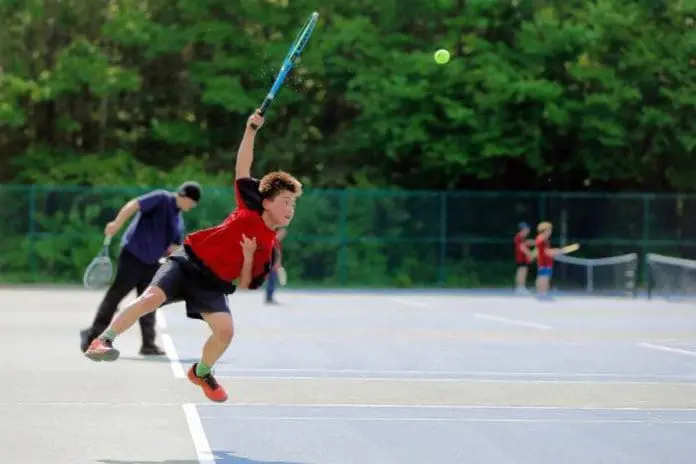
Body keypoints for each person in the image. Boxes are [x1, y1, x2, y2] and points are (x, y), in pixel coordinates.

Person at [84, 110, 303, 403]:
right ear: (267, 202)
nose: (290, 208)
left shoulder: (270, 245)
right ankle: (103, 340)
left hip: (213, 283)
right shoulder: (249, 206)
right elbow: (242, 167)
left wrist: (248, 257)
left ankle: (201, 372)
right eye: (285, 201)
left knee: (225, 331)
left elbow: (248, 284)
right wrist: (251, 130)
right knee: (150, 298)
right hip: (188, 262)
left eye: (294, 204)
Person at [79, 182, 201, 355]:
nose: (192, 206)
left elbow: (172, 248)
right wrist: (116, 223)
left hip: (152, 264)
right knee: (116, 296)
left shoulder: (178, 220)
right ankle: (92, 338)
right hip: (133, 256)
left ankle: (148, 345)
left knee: (149, 302)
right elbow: (133, 205)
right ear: (185, 196)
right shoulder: (161, 198)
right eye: (192, 202)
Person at [534, 221, 562, 299]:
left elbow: (545, 250)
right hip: (544, 263)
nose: (550, 232)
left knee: (543, 277)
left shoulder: (542, 239)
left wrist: (554, 251)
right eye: (549, 230)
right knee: (544, 278)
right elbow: (546, 252)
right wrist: (556, 252)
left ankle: (542, 293)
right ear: (545, 230)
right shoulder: (542, 239)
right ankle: (542, 294)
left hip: (544, 262)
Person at [265, 228, 287, 304]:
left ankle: (269, 297)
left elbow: (278, 255)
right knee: (271, 281)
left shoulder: (277, 242)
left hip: (274, 265)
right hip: (271, 265)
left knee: (272, 281)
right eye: (282, 233)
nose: (283, 235)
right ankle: (269, 298)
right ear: (278, 233)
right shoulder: (273, 241)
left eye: (284, 234)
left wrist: (278, 264)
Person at [513, 222, 534, 294]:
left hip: (523, 258)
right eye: (527, 230)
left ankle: (521, 287)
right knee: (521, 272)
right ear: (522, 230)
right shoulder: (519, 237)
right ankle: (520, 288)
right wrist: (530, 254)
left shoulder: (522, 237)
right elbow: (522, 248)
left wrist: (537, 242)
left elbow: (528, 242)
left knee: (523, 271)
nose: (528, 231)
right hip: (521, 258)